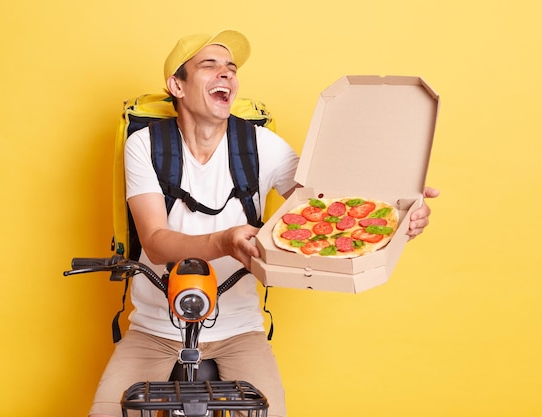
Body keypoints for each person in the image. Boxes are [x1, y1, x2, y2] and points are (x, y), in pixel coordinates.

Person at [89, 29, 439, 417]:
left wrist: (391, 210)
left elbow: (324, 207)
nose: (226, 74)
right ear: (177, 85)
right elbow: (155, 241)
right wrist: (224, 240)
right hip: (154, 329)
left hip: (240, 329)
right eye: (210, 66)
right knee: (107, 413)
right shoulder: (146, 144)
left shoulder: (260, 144)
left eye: (231, 68)